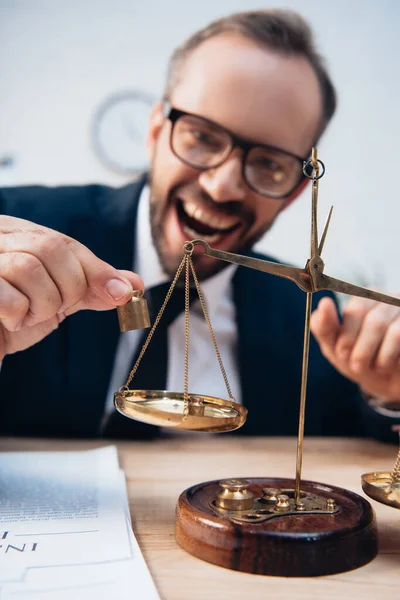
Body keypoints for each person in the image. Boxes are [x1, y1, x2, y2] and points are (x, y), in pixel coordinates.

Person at [0, 9, 399, 441]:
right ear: (155, 132)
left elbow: (356, 435)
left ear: (296, 192)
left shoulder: (301, 318)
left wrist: (388, 394)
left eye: (268, 164)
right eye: (203, 136)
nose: (221, 185)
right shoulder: (18, 238)